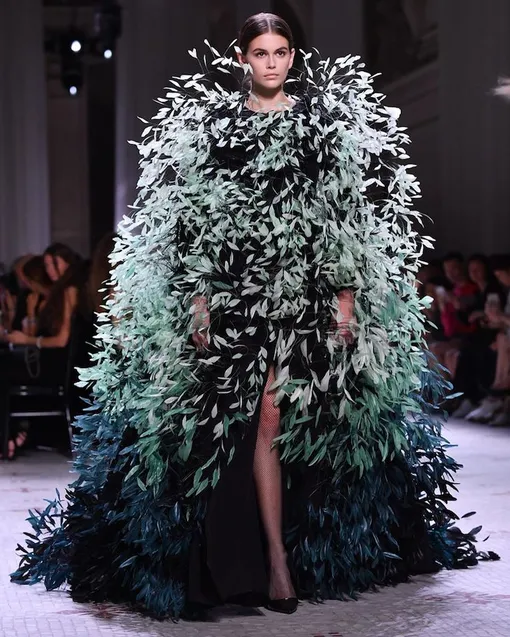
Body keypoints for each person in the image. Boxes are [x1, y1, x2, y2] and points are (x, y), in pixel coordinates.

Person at [11, 13, 496, 618]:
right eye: (262, 52)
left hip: (306, 293)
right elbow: (197, 217)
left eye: (282, 51)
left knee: (304, 419)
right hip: (237, 292)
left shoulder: (318, 127)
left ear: (293, 57)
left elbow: (340, 215)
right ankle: (273, 559)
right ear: (243, 58)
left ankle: (297, 550)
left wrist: (345, 298)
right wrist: (199, 299)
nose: (272, 62)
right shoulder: (219, 129)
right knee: (256, 416)